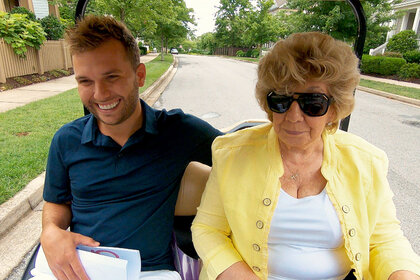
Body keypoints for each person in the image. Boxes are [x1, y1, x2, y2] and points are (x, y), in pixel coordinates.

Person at [191, 32, 420, 280]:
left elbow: (385, 240)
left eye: (313, 103)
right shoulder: (232, 154)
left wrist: (402, 275)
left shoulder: (366, 161)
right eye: (281, 100)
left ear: (333, 109)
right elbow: (208, 229)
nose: (293, 116)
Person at [40, 15, 222, 280]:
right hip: (83, 268)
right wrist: (51, 231)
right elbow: (56, 203)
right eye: (85, 82)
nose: (100, 94)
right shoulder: (66, 140)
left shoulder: (179, 132)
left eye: (111, 77)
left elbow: (240, 154)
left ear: (139, 75)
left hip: (150, 272)